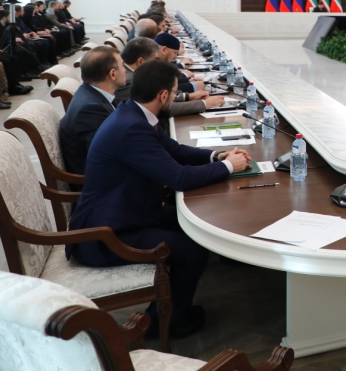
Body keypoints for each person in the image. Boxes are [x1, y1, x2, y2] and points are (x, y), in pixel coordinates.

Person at [67, 59, 250, 338]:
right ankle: (164, 323)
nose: (175, 97)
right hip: (105, 235)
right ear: (163, 95)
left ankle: (181, 299)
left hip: (128, 211)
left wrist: (217, 156)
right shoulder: (132, 128)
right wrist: (228, 167)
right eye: (175, 93)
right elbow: (178, 178)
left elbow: (174, 150)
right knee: (191, 251)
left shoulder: (134, 113)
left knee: (192, 223)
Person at [59, 47, 124, 178]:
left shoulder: (93, 94)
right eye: (122, 66)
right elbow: (108, 158)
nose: (125, 70)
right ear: (112, 74)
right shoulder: (90, 109)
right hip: (104, 184)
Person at [117, 38, 222, 116]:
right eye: (155, 59)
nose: (158, 63)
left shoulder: (135, 74)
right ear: (141, 61)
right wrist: (204, 104)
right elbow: (160, 109)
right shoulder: (128, 80)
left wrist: (188, 97)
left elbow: (156, 97)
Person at [0, 10, 43, 77]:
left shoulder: (5, 25)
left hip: (7, 44)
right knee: (20, 52)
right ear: (4, 18)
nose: (11, 19)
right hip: (0, 46)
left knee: (26, 48)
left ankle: (29, 70)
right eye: (9, 17)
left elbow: (12, 34)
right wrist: (13, 40)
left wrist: (17, 38)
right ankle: (22, 73)